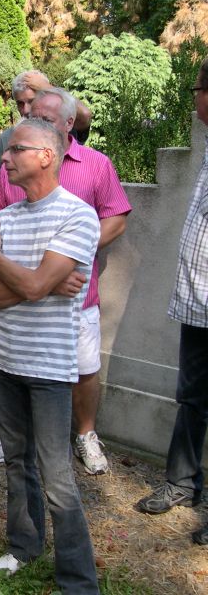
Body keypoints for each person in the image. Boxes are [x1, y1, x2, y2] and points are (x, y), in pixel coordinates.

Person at [0, 118, 100, 592]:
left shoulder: (78, 216)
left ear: (46, 156)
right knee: (16, 459)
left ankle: (79, 581)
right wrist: (43, 284)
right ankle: (24, 546)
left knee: (57, 475)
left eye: (15, 150)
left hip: (49, 367)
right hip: (3, 357)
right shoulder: (6, 218)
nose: (5, 158)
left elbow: (27, 285)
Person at [0, 87, 131, 473]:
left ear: (68, 123)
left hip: (76, 294)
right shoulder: (15, 166)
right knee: (18, 365)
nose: (34, 121)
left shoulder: (96, 164)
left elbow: (116, 218)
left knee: (83, 368)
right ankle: (15, 435)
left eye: (45, 118)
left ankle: (85, 434)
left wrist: (67, 259)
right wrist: (41, 272)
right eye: (32, 115)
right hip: (21, 294)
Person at [135, 58, 208, 545]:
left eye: (196, 89)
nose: (194, 98)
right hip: (198, 303)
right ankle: (182, 482)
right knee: (192, 396)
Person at [0, 71, 92, 195]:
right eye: (20, 103)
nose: (25, 110)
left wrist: (48, 88)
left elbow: (85, 114)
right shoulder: (7, 137)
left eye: (31, 101)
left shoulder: (62, 130)